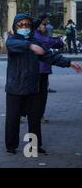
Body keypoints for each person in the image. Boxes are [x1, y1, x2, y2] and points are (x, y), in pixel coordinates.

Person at [5, 14, 81, 155]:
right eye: (20, 25)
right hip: (15, 87)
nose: (24, 27)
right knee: (13, 119)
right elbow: (12, 45)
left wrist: (69, 63)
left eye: (27, 24)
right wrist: (30, 46)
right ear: (15, 27)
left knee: (34, 119)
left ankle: (34, 146)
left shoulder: (36, 42)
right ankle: (11, 146)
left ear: (31, 26)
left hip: (33, 87)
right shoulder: (13, 40)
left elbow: (50, 57)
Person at [33, 17, 64, 123]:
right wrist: (60, 40)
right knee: (41, 95)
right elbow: (55, 43)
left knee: (35, 94)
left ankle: (26, 115)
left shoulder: (38, 35)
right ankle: (38, 116)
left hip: (40, 69)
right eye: (43, 25)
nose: (45, 27)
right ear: (37, 27)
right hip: (40, 70)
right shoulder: (39, 37)